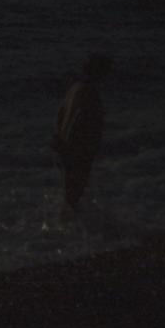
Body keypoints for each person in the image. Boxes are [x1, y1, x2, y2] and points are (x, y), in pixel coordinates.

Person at [54, 54, 111, 211]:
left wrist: (60, 140)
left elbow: (60, 115)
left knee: (69, 192)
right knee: (75, 194)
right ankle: (70, 229)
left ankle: (66, 226)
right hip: (78, 149)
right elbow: (78, 119)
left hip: (67, 145)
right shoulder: (90, 92)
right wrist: (74, 148)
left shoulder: (75, 87)